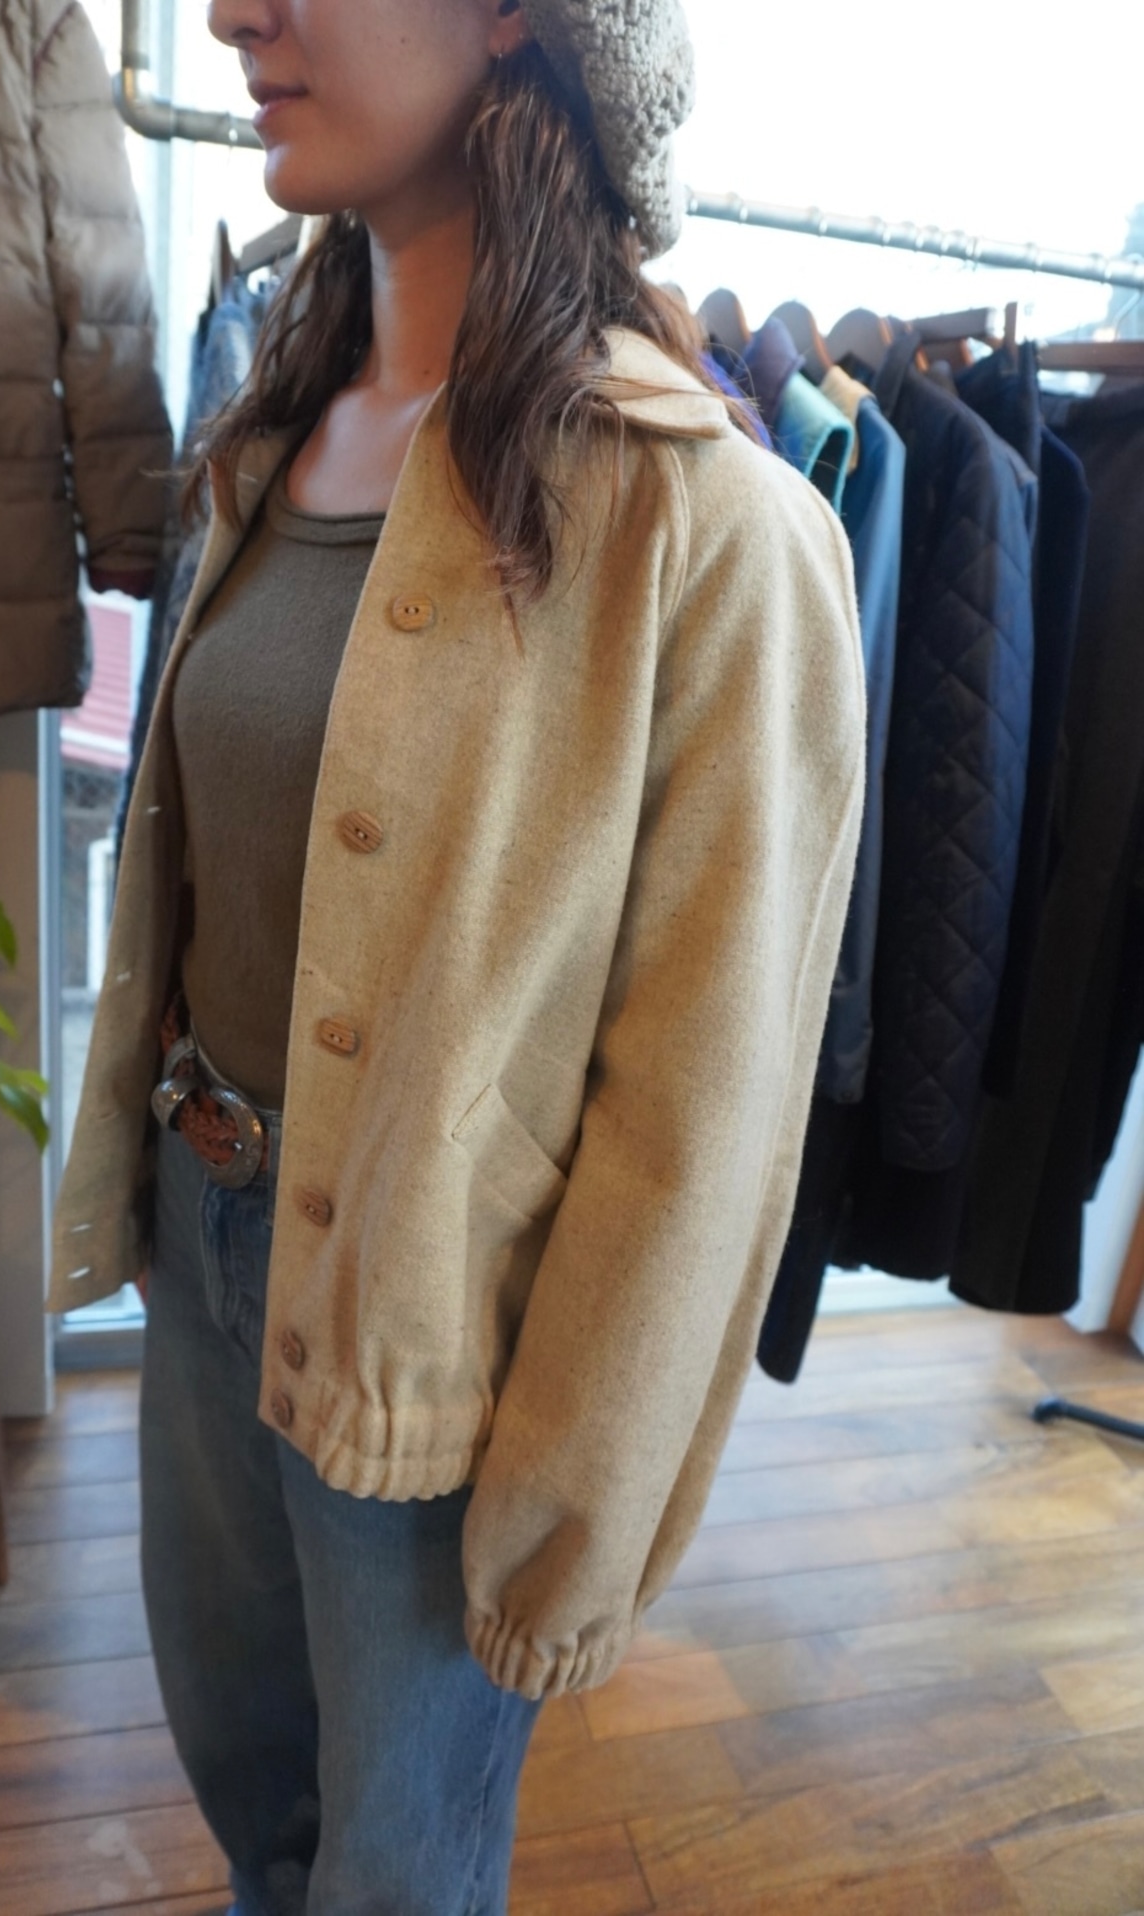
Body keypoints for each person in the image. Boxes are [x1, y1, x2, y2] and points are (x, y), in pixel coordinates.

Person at [49, 0, 867, 1909]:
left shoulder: (707, 530)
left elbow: (699, 1116)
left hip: (438, 1322)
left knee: (398, 1876)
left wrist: (573, 1504)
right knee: (256, 1806)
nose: (234, 12)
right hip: (200, 1227)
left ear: (521, 19)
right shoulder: (266, 448)